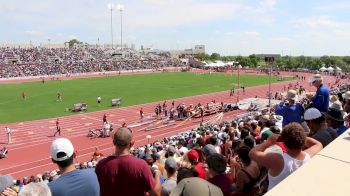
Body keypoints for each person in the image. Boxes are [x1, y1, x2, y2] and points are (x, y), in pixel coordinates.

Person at [249, 123, 323, 191]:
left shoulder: (278, 160)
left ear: (284, 141)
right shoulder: (308, 155)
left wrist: (268, 143)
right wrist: (300, 136)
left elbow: (252, 153)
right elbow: (318, 144)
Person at [95, 128, 161, 196]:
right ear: (132, 143)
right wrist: (157, 175)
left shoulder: (100, 165)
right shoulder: (141, 165)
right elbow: (156, 194)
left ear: (114, 142)